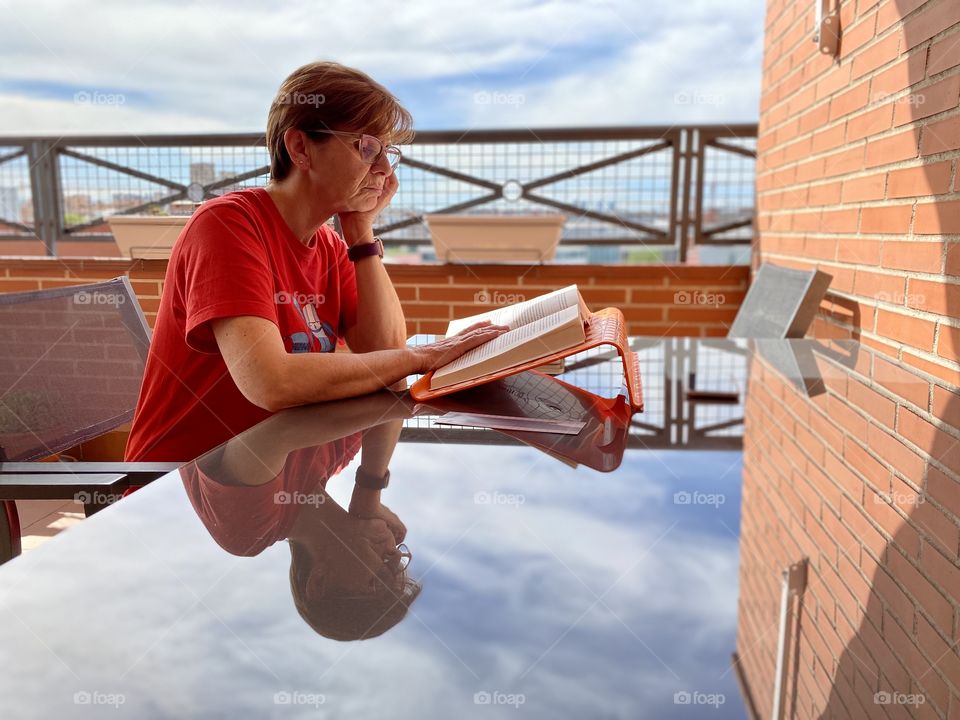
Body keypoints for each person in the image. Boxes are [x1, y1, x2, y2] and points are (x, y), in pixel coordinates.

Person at [125, 61, 508, 462]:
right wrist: (422, 357)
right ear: (301, 148)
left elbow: (383, 350)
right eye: (367, 147)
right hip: (181, 484)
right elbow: (271, 383)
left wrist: (360, 233)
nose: (383, 170)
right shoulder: (227, 225)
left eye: (388, 153)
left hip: (281, 467)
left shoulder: (327, 243)